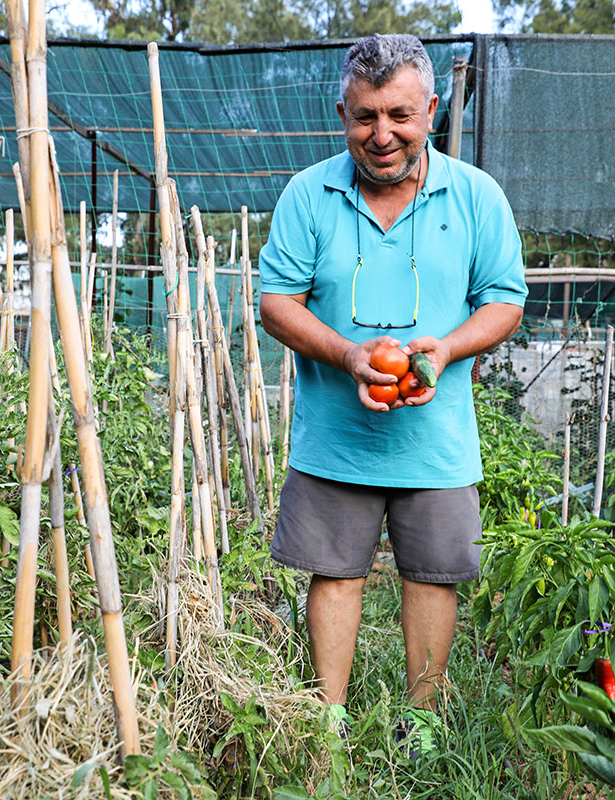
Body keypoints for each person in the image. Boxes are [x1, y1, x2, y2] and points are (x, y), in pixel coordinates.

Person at [258, 33, 527, 754]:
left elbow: (504, 300)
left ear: (432, 110)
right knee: (335, 574)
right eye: (365, 116)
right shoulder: (308, 193)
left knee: (433, 577)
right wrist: (349, 354)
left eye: (400, 116)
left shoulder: (475, 196)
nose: (382, 135)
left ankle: (424, 730)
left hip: (435, 440)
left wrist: (446, 347)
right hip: (333, 439)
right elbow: (276, 301)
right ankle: (328, 726)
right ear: (341, 111)